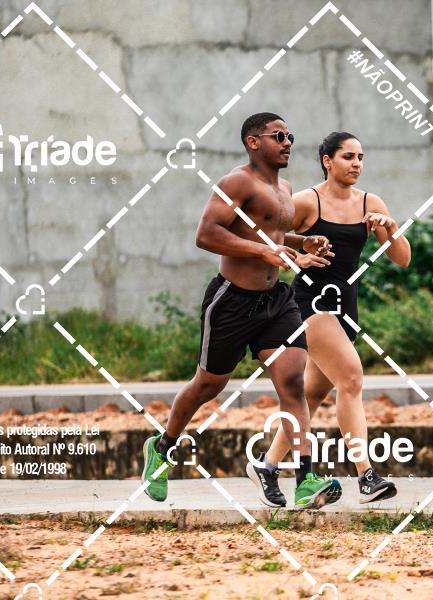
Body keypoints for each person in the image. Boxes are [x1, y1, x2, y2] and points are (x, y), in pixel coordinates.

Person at [141, 113, 341, 510]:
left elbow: (270, 233)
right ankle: (161, 449)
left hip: (276, 301)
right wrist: (263, 251)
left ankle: (305, 478)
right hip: (232, 302)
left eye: (290, 135)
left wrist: (300, 243)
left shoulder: (284, 188)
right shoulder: (237, 182)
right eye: (278, 136)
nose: (288, 142)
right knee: (208, 386)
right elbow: (207, 234)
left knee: (293, 384)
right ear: (253, 142)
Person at [247, 132, 411, 506]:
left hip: (345, 308)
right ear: (327, 161)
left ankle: (267, 465)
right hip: (309, 304)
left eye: (361, 157)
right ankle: (366, 476)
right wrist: (297, 253)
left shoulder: (370, 203)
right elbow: (264, 235)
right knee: (351, 377)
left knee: (311, 395)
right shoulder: (307, 201)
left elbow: (402, 259)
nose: (356, 164)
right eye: (348, 156)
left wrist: (389, 227)